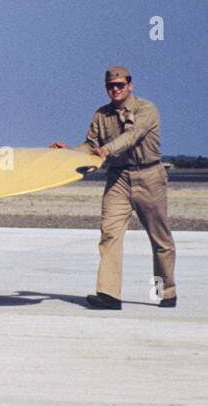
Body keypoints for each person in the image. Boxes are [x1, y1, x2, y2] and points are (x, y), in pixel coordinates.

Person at [51, 65, 176, 310]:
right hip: (118, 178)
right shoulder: (101, 115)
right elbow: (91, 145)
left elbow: (132, 136)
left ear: (130, 85)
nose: (115, 89)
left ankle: (167, 292)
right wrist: (68, 153)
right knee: (109, 234)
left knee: (160, 238)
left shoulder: (146, 109)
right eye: (110, 86)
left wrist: (107, 150)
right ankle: (109, 295)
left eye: (120, 85)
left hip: (149, 176)